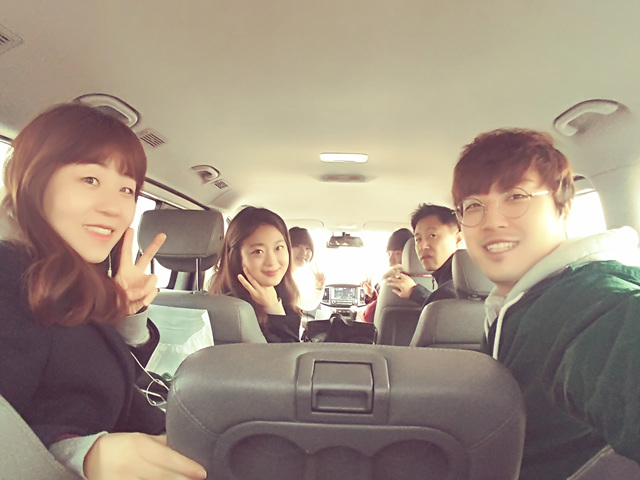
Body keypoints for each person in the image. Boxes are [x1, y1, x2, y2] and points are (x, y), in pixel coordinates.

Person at [0, 103, 206, 479]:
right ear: (34, 180)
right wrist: (83, 456)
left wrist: (126, 314)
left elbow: (92, 377)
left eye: (126, 189)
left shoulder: (68, 273)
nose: (114, 208)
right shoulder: (8, 272)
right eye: (90, 180)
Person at [452, 128, 640, 480]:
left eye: (516, 196)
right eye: (474, 205)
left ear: (563, 209)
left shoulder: (594, 304)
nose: (492, 221)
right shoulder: (512, 307)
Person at [209, 206, 301, 342]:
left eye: (279, 248)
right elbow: (288, 354)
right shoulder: (231, 310)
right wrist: (274, 310)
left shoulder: (283, 292)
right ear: (237, 258)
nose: (272, 261)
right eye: (258, 251)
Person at [385, 204, 462, 309]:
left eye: (432, 235)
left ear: (458, 239)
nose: (423, 246)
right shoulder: (460, 286)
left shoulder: (448, 294)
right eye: (418, 239)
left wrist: (415, 292)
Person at [361, 227, 413, 323]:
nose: (390, 259)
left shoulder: (394, 280)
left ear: (409, 254)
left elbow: (368, 317)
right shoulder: (432, 280)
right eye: (389, 254)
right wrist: (373, 295)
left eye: (397, 253)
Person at [288, 226, 326, 311]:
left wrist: (318, 287)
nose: (304, 252)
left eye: (307, 248)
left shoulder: (293, 279)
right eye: (297, 246)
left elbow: (307, 304)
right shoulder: (278, 278)